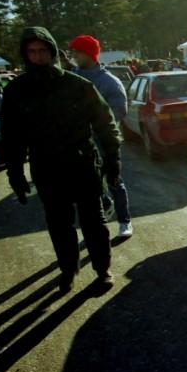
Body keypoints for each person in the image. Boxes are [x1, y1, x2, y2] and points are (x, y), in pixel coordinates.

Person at [0, 27, 121, 294]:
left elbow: (105, 124)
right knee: (59, 225)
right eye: (32, 52)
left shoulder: (78, 85)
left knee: (94, 224)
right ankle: (68, 270)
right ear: (25, 55)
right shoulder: (16, 91)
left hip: (83, 165)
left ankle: (103, 270)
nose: (38, 56)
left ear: (52, 52)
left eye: (42, 50)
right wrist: (15, 173)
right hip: (46, 168)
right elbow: (12, 137)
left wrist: (113, 160)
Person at [69, 35, 134, 238]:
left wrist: (95, 128)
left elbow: (118, 111)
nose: (74, 56)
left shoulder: (109, 82)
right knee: (86, 183)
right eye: (73, 52)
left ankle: (125, 221)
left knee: (114, 180)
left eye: (77, 52)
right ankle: (105, 206)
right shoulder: (70, 78)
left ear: (89, 53)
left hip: (103, 141)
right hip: (77, 142)